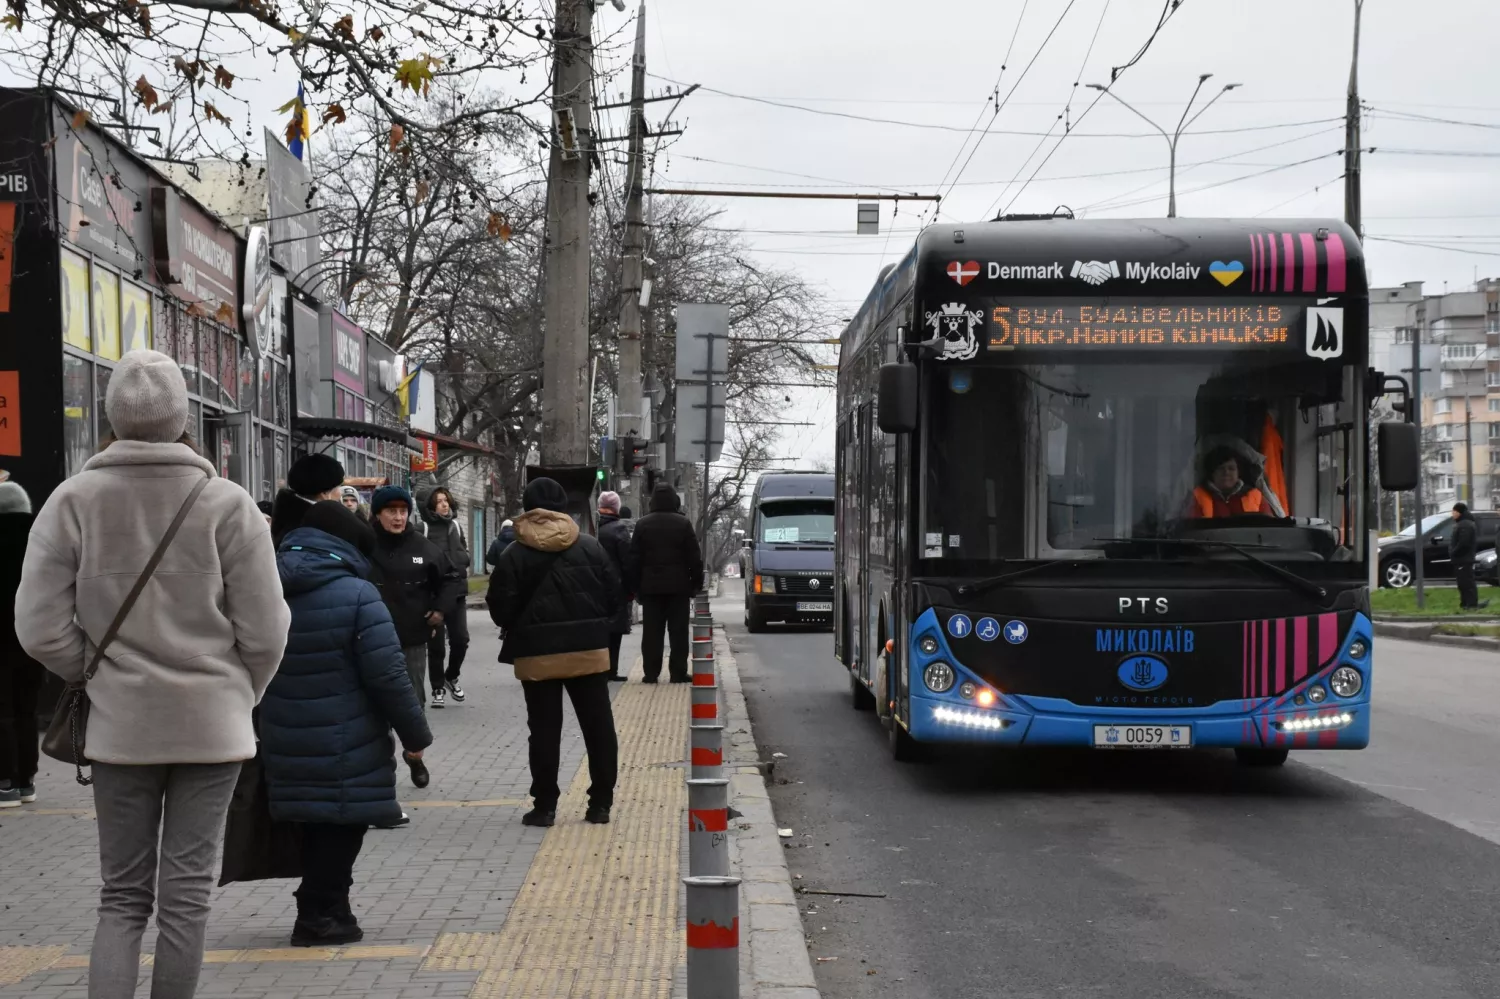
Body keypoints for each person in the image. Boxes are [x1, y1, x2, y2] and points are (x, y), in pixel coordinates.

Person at [15, 349, 290, 999]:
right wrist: (238, 691)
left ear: (110, 416)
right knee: (187, 897)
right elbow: (268, 629)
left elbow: (36, 623)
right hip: (212, 726)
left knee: (122, 897)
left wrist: (95, 669)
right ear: (183, 416)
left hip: (120, 725)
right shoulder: (227, 505)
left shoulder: (73, 500)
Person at [261, 501, 432, 946]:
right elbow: (389, 674)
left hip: (282, 733)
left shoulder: (263, 585)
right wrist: (416, 735)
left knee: (315, 822)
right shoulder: (357, 594)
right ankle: (317, 915)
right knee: (343, 824)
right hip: (346, 737)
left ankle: (333, 910)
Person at [487, 478, 619, 826]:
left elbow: (500, 608)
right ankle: (600, 805)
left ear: (527, 507)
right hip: (589, 653)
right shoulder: (591, 547)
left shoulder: (513, 553)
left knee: (544, 731)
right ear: (564, 507)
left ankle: (545, 807)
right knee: (599, 728)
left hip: (536, 656)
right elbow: (614, 596)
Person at [367, 485, 462, 786]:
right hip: (368, 639)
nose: (397, 518)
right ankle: (380, 765)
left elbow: (451, 580)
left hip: (411, 639)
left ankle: (414, 756)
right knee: (372, 707)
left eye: (402, 512)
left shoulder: (423, 547)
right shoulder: (363, 544)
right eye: (390, 512)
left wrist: (439, 610)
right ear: (378, 514)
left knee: (412, 703)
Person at [629, 483, 703, 683]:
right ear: (675, 501)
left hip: (651, 589)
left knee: (652, 633)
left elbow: (634, 558)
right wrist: (696, 583)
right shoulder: (683, 523)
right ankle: (678, 673)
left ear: (652, 502)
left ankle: (651, 673)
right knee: (678, 632)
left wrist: (635, 588)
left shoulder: (642, 524)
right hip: (678, 588)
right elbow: (694, 557)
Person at [0, 480, 43, 808]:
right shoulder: (40, 537)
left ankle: (5, 782)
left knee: (2, 711)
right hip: (32, 637)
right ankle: (27, 780)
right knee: (26, 710)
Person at [419, 487, 471, 707]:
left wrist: (465, 559)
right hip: (433, 596)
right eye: (439, 501)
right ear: (430, 506)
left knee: (461, 640)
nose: (444, 504)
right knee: (436, 647)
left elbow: (463, 552)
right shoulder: (423, 528)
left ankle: (452, 676)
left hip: (457, 593)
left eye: (446, 500)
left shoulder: (456, 525)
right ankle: (437, 688)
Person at [596, 492, 636, 682]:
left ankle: (597, 669)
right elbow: (628, 562)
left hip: (593, 585)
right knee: (615, 631)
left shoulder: (593, 527)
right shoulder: (619, 529)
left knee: (597, 629)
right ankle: (611, 670)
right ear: (617, 508)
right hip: (615, 586)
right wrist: (631, 588)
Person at [270, 452, 348, 545]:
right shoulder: (319, 526)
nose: (341, 493)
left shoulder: (287, 518)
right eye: (339, 487)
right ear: (325, 493)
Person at [1186, 447, 1265, 519]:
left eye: (1231, 468)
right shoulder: (1196, 497)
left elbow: (1267, 527)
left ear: (1239, 473)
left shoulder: (1255, 496)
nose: (1226, 472)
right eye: (1221, 468)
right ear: (1212, 473)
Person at [1450, 502, 1488, 611]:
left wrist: (1454, 552)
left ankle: (1471, 605)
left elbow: (1464, 543)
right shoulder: (1463, 523)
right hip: (1461, 559)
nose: (1452, 514)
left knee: (1466, 582)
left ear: (1459, 512)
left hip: (1463, 559)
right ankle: (1466, 604)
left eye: (1454, 511)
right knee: (1463, 582)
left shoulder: (1465, 525)